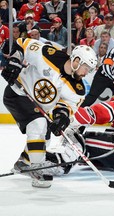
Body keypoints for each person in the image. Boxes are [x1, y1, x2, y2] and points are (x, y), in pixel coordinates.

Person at [1, 39, 97, 188]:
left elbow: (66, 106)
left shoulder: (78, 89)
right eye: (85, 68)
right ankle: (38, 168)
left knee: (45, 139)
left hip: (38, 108)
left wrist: (61, 118)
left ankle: (24, 163)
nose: (86, 73)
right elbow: (22, 43)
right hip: (18, 93)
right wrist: (14, 62)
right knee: (38, 124)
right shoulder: (49, 54)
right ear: (76, 60)